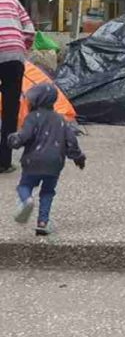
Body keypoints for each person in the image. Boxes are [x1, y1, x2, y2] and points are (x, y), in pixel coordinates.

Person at [9, 83, 85, 236]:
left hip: (33, 161)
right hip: (54, 164)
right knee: (48, 192)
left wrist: (13, 140)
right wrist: (78, 157)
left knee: (24, 186)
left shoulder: (32, 118)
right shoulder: (61, 120)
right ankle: (43, 222)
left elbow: (24, 137)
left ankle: (27, 200)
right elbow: (71, 141)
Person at [0, 0, 35, 174]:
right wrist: (22, 50)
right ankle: (4, 162)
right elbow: (29, 31)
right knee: (10, 110)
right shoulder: (11, 0)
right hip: (13, 56)